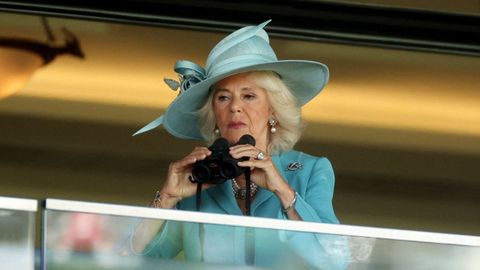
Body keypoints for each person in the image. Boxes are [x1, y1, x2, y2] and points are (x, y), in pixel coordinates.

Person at [130, 20, 350, 269]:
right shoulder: (196, 178)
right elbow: (136, 256)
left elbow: (336, 261)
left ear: (273, 110)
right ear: (214, 114)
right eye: (223, 97)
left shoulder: (310, 171)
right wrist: (167, 198)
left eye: (249, 95)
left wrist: (282, 190)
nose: (235, 107)